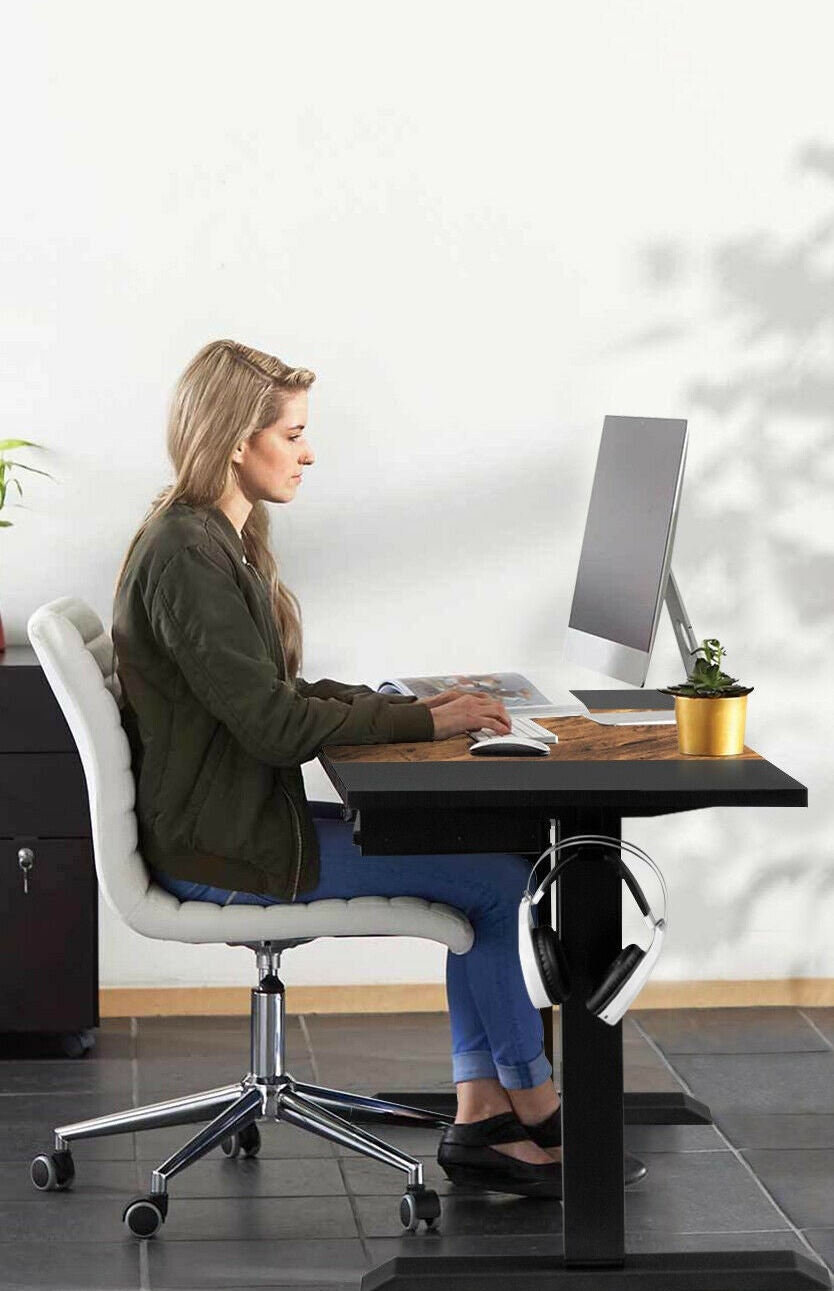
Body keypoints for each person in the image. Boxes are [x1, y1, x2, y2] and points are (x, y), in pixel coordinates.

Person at [113, 338, 644, 1200]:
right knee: (497, 882)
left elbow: (269, 693)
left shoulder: (211, 541)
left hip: (235, 824)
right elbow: (273, 723)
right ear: (235, 439)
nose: (309, 452)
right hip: (226, 850)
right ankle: (536, 1108)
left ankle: (486, 1116)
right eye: (292, 434)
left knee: (494, 864)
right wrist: (421, 717)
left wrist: (410, 705)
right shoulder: (188, 555)